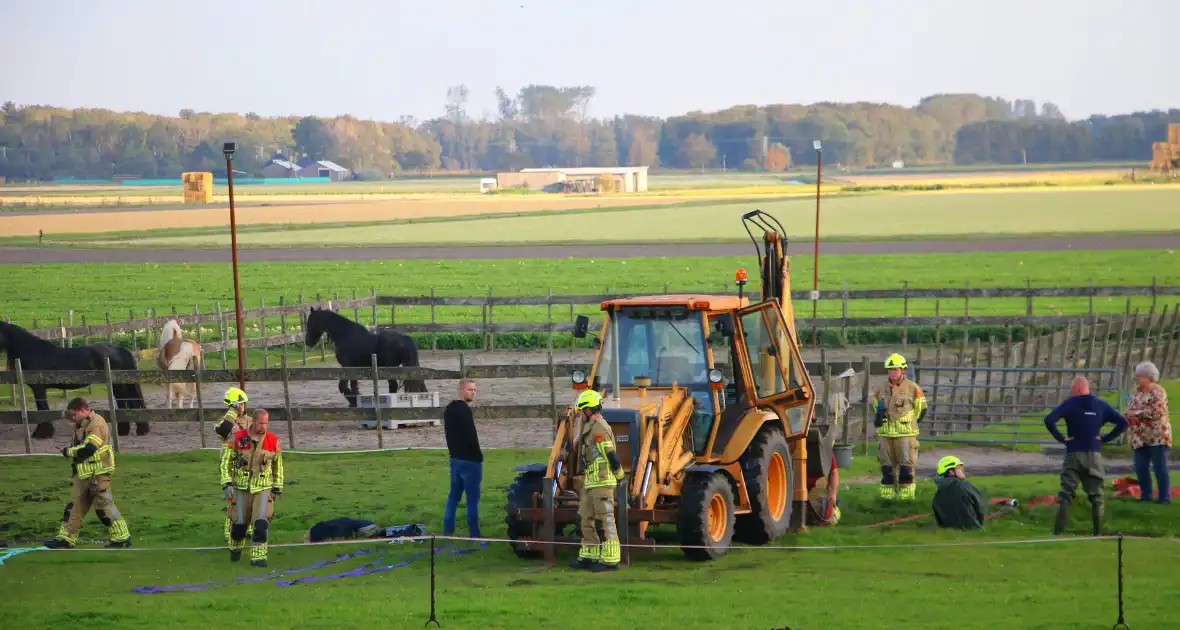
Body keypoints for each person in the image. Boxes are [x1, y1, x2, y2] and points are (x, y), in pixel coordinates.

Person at [1043, 377, 1128, 536]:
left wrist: (1062, 439)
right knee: (1096, 494)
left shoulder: (1070, 403)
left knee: (1066, 493)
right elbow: (1123, 423)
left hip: (1073, 453)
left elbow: (1049, 420)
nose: (1072, 392)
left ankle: (1057, 531)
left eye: (1072, 389)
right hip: (1094, 454)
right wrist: (1104, 439)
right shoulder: (1101, 404)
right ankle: (1097, 532)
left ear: (1078, 389)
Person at [44, 398, 132, 549]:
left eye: (73, 415)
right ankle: (66, 538)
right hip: (85, 474)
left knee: (103, 507)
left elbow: (89, 449)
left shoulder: (96, 423)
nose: (72, 419)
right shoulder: (83, 424)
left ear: (82, 410)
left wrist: (69, 452)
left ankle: (121, 537)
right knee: (73, 507)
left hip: (98, 473)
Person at [221, 408, 284, 567]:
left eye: (266, 423)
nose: (264, 426)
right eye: (261, 422)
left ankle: (258, 558)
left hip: (263, 488)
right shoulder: (237, 438)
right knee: (239, 526)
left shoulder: (273, 440)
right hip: (241, 488)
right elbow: (225, 461)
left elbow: (278, 465)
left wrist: (277, 486)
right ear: (254, 421)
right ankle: (235, 549)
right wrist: (226, 482)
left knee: (261, 525)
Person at [570, 389, 624, 572]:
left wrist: (620, 476)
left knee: (605, 520)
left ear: (588, 410)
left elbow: (611, 456)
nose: (581, 414)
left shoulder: (601, 428)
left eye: (582, 411)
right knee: (586, 518)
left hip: (602, 482)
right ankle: (589, 555)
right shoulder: (589, 428)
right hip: (590, 482)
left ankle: (611, 559)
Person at [871, 353, 927, 500]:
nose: (892, 372)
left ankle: (906, 496)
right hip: (886, 435)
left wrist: (910, 424)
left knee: (906, 467)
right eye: (890, 370)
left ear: (903, 370)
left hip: (905, 434)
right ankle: (887, 496)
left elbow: (921, 409)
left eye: (895, 369)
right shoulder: (880, 389)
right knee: (886, 467)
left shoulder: (913, 388)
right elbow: (875, 407)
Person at [1125, 361, 1172, 504]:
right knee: (1140, 467)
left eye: (1139, 377)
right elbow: (1130, 410)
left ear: (1148, 377)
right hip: (1138, 438)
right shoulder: (1136, 393)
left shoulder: (1159, 392)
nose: (1136, 380)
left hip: (1157, 437)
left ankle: (1164, 498)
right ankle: (1146, 495)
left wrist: (1136, 413)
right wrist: (1129, 415)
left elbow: (1156, 412)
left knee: (1160, 468)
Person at [443, 379, 482, 538]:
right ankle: (475, 534)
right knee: (472, 499)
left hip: (455, 459)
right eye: (469, 390)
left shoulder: (449, 409)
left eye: (474, 390)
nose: (472, 392)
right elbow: (470, 436)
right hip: (470, 461)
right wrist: (478, 456)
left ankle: (447, 531)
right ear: (461, 390)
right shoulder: (464, 410)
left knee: (453, 496)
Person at [215, 388, 254, 543]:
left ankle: (248, 528)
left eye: (243, 404)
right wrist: (233, 411)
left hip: (250, 465)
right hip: (231, 467)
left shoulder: (251, 421)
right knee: (234, 501)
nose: (243, 407)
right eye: (240, 404)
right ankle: (229, 531)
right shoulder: (223, 422)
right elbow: (223, 431)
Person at [931, 455, 986, 530]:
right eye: (959, 468)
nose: (962, 470)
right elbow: (981, 506)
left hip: (948, 533)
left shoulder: (938, 491)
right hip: (973, 529)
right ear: (951, 472)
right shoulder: (964, 486)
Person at [806, 451, 841, 526]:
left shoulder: (825, 451)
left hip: (818, 485)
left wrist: (833, 494)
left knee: (830, 520)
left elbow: (834, 473)